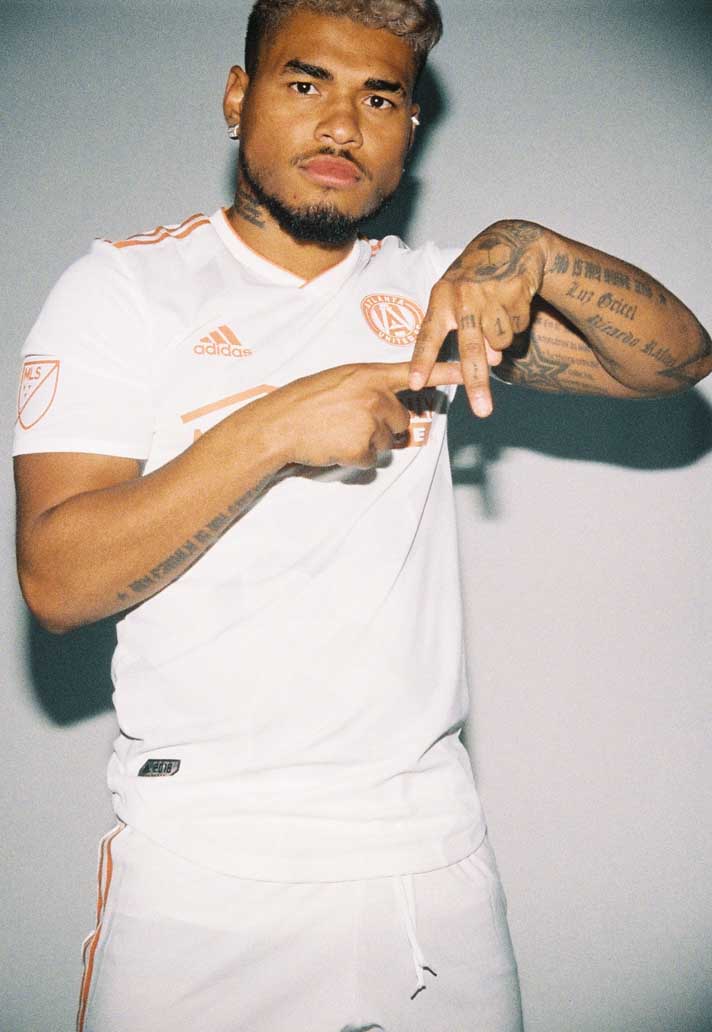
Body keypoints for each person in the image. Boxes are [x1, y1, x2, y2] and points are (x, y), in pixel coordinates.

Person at [12, 1, 711, 1030]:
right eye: (307, 84)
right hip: (207, 857)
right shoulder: (126, 288)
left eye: (380, 99)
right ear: (238, 97)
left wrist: (532, 248)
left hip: (430, 853)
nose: (341, 125)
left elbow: (678, 362)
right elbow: (56, 581)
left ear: (411, 127)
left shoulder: (432, 297)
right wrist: (271, 428)